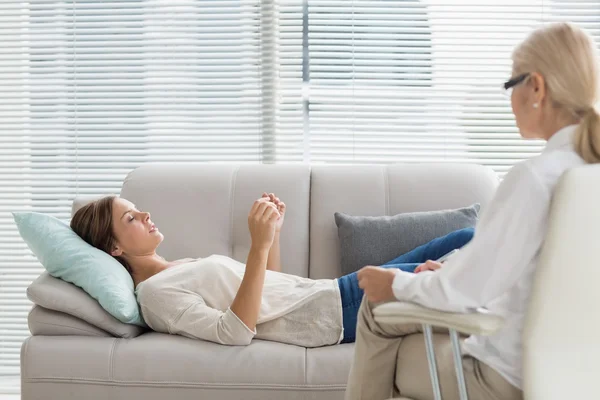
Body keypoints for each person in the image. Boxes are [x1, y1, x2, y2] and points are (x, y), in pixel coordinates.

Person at [345, 22, 600, 400]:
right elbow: (537, 283)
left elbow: (463, 293)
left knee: (375, 307)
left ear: (537, 88)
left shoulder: (534, 178)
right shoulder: (588, 176)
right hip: (576, 379)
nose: (509, 99)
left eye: (511, 85)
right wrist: (452, 275)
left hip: (502, 379)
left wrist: (395, 283)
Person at [70, 191, 474, 347]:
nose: (145, 212)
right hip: (335, 312)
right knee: (463, 253)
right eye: (130, 219)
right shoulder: (155, 295)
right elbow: (236, 332)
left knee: (465, 239)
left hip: (331, 292)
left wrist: (272, 237)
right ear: (115, 247)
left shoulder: (178, 266)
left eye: (137, 209)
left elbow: (267, 289)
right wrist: (259, 244)